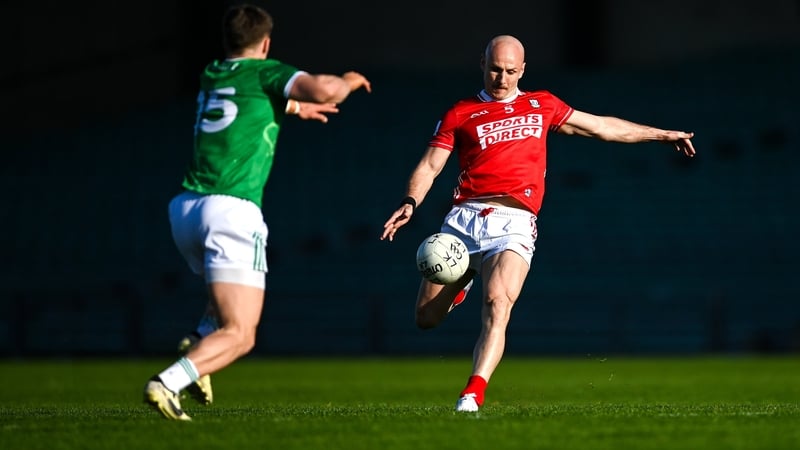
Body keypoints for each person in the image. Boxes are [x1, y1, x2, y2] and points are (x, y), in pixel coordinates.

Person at [380, 35, 695, 413]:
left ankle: (472, 393)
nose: (502, 78)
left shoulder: (541, 104)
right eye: (496, 69)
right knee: (426, 319)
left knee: (498, 304)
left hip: (513, 223)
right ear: (482, 63)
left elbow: (600, 127)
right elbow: (430, 166)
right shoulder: (460, 113)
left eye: (511, 71)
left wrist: (659, 135)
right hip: (462, 223)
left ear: (523, 70)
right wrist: (410, 202)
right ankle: (460, 283)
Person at [144, 3, 371, 421]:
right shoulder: (265, 71)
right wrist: (349, 82)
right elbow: (323, 89)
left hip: (186, 209)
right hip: (231, 210)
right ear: (265, 43)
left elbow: (240, 104)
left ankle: (198, 336)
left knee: (226, 303)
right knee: (242, 333)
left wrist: (293, 109)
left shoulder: (212, 73)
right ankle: (169, 382)